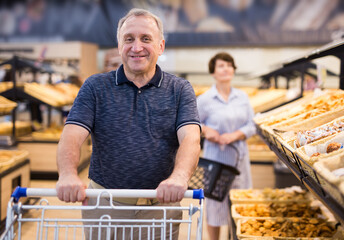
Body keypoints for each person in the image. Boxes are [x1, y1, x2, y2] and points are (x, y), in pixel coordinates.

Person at [55, 8, 201, 239]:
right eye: (128, 39)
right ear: (119, 46)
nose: (136, 47)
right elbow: (72, 134)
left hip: (160, 208)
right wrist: (68, 174)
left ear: (161, 46)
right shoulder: (95, 87)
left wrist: (179, 177)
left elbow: (191, 138)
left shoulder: (180, 89)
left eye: (146, 39)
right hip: (105, 207)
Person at [197, 52, 256, 240]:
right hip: (216, 159)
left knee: (239, 201)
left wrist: (236, 135)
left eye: (229, 65)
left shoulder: (242, 97)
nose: (226, 69)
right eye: (221, 66)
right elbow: (193, 124)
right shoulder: (205, 99)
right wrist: (206, 131)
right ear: (213, 72)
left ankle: (236, 236)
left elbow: (253, 124)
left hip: (239, 158)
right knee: (215, 206)